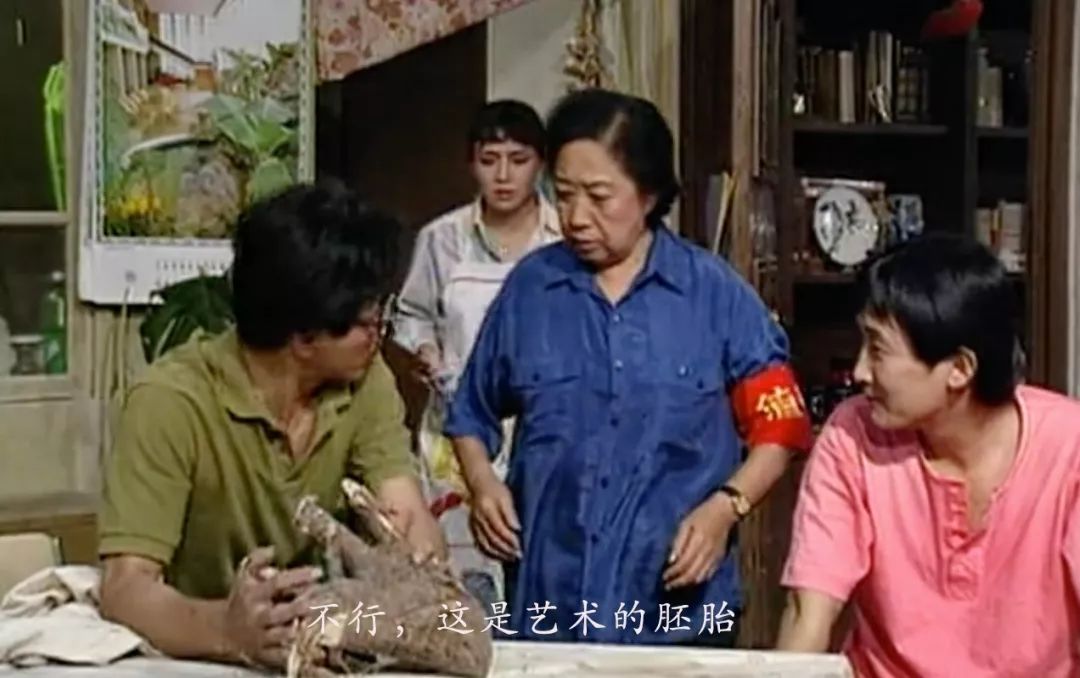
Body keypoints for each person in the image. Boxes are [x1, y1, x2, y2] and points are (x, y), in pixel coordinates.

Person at [444, 88, 813, 645]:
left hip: (676, 616)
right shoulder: (532, 290)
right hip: (551, 608)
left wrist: (726, 508)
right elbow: (471, 412)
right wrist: (481, 484)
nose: (576, 218)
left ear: (649, 193)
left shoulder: (714, 293)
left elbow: (780, 426)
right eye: (563, 195)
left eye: (599, 197)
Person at [98, 182, 445, 670]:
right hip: (194, 660)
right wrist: (225, 630)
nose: (378, 337)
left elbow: (406, 516)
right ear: (303, 338)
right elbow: (125, 588)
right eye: (367, 324)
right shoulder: (171, 402)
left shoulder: (363, 381)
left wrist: (417, 565)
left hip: (323, 647)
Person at [776, 234, 1080, 677]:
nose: (859, 372)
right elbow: (809, 611)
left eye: (878, 350)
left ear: (959, 369)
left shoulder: (1070, 449)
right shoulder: (852, 435)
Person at [391, 99, 561, 607]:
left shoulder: (563, 238)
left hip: (540, 426)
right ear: (471, 163)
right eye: (490, 161)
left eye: (518, 160)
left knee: (537, 567)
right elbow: (411, 313)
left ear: (540, 164)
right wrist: (425, 349)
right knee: (462, 581)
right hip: (454, 431)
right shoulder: (441, 239)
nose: (503, 176)